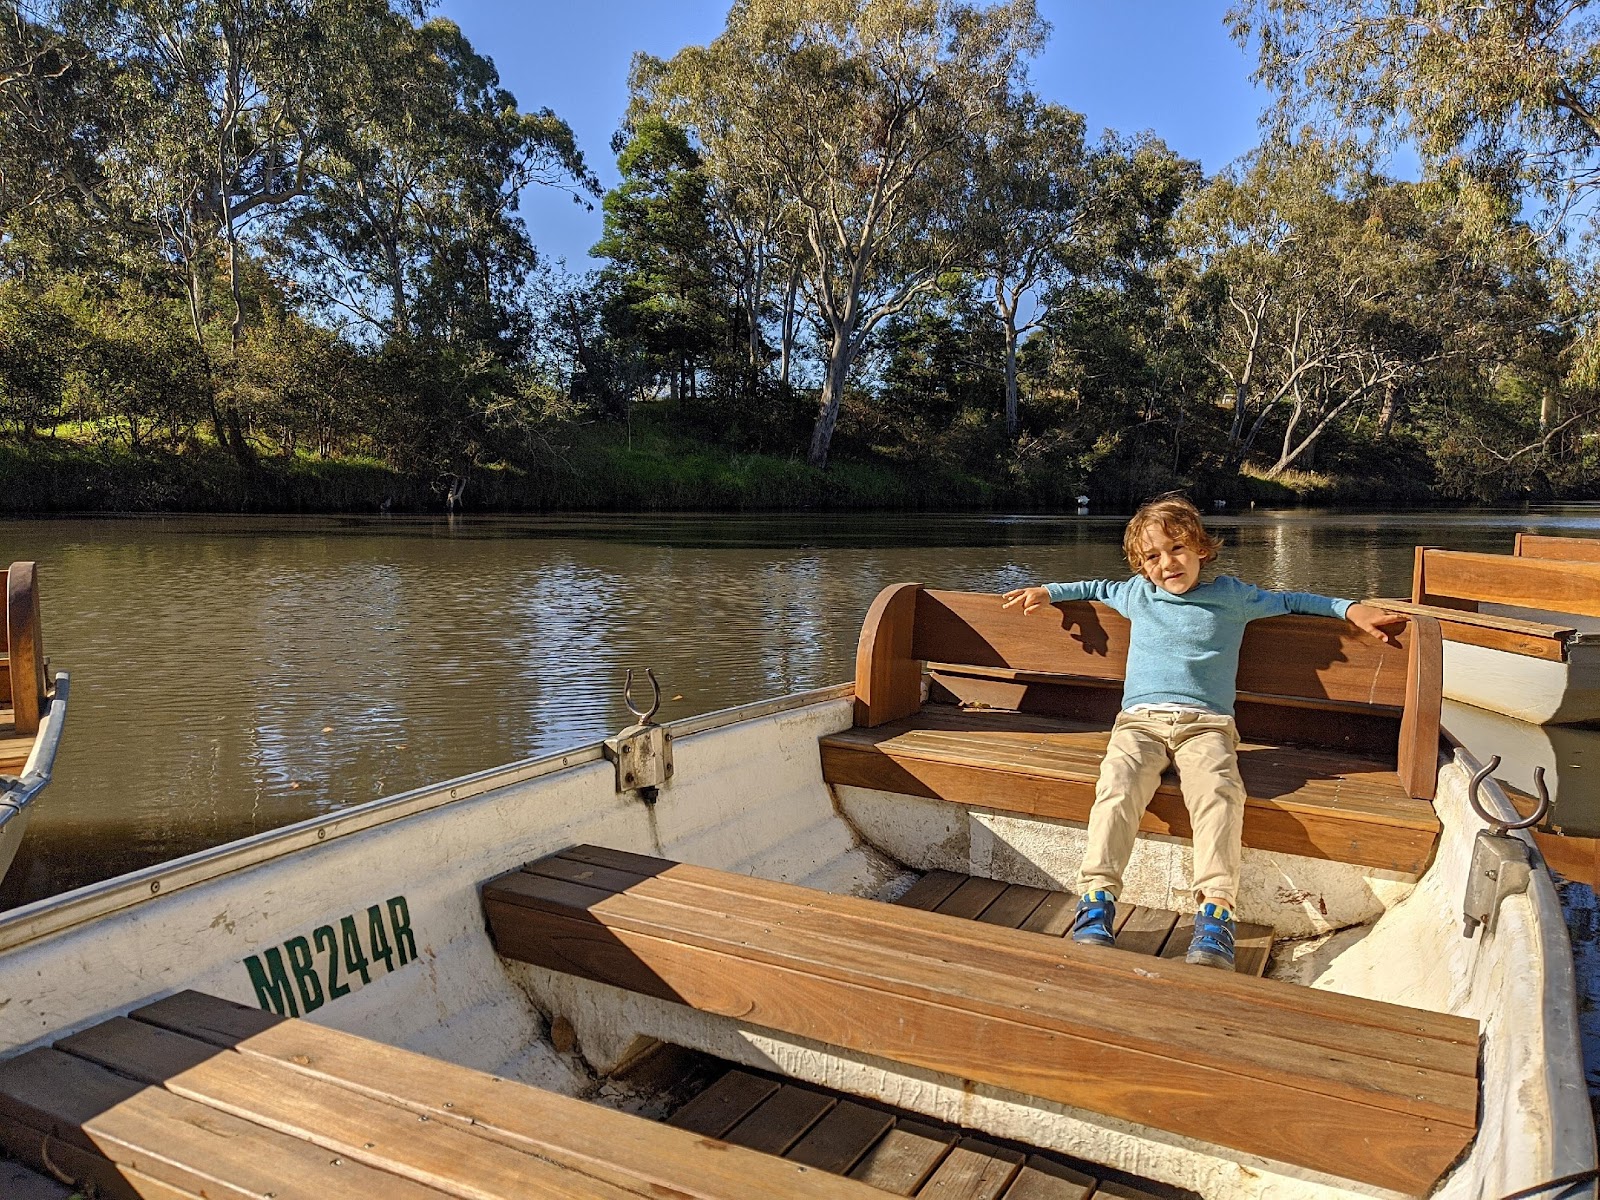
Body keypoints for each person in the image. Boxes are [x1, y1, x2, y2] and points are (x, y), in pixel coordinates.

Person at [1000, 495, 1405, 969]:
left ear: (1201, 550)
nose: (1167, 563)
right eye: (1152, 556)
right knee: (1116, 786)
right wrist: (1047, 592)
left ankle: (1215, 915)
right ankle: (1097, 901)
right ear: (1140, 565)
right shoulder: (1135, 594)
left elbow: (1294, 600)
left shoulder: (1233, 597)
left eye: (1177, 549)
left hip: (1206, 727)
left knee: (1218, 791)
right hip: (1139, 725)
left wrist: (1350, 609)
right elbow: (1092, 586)